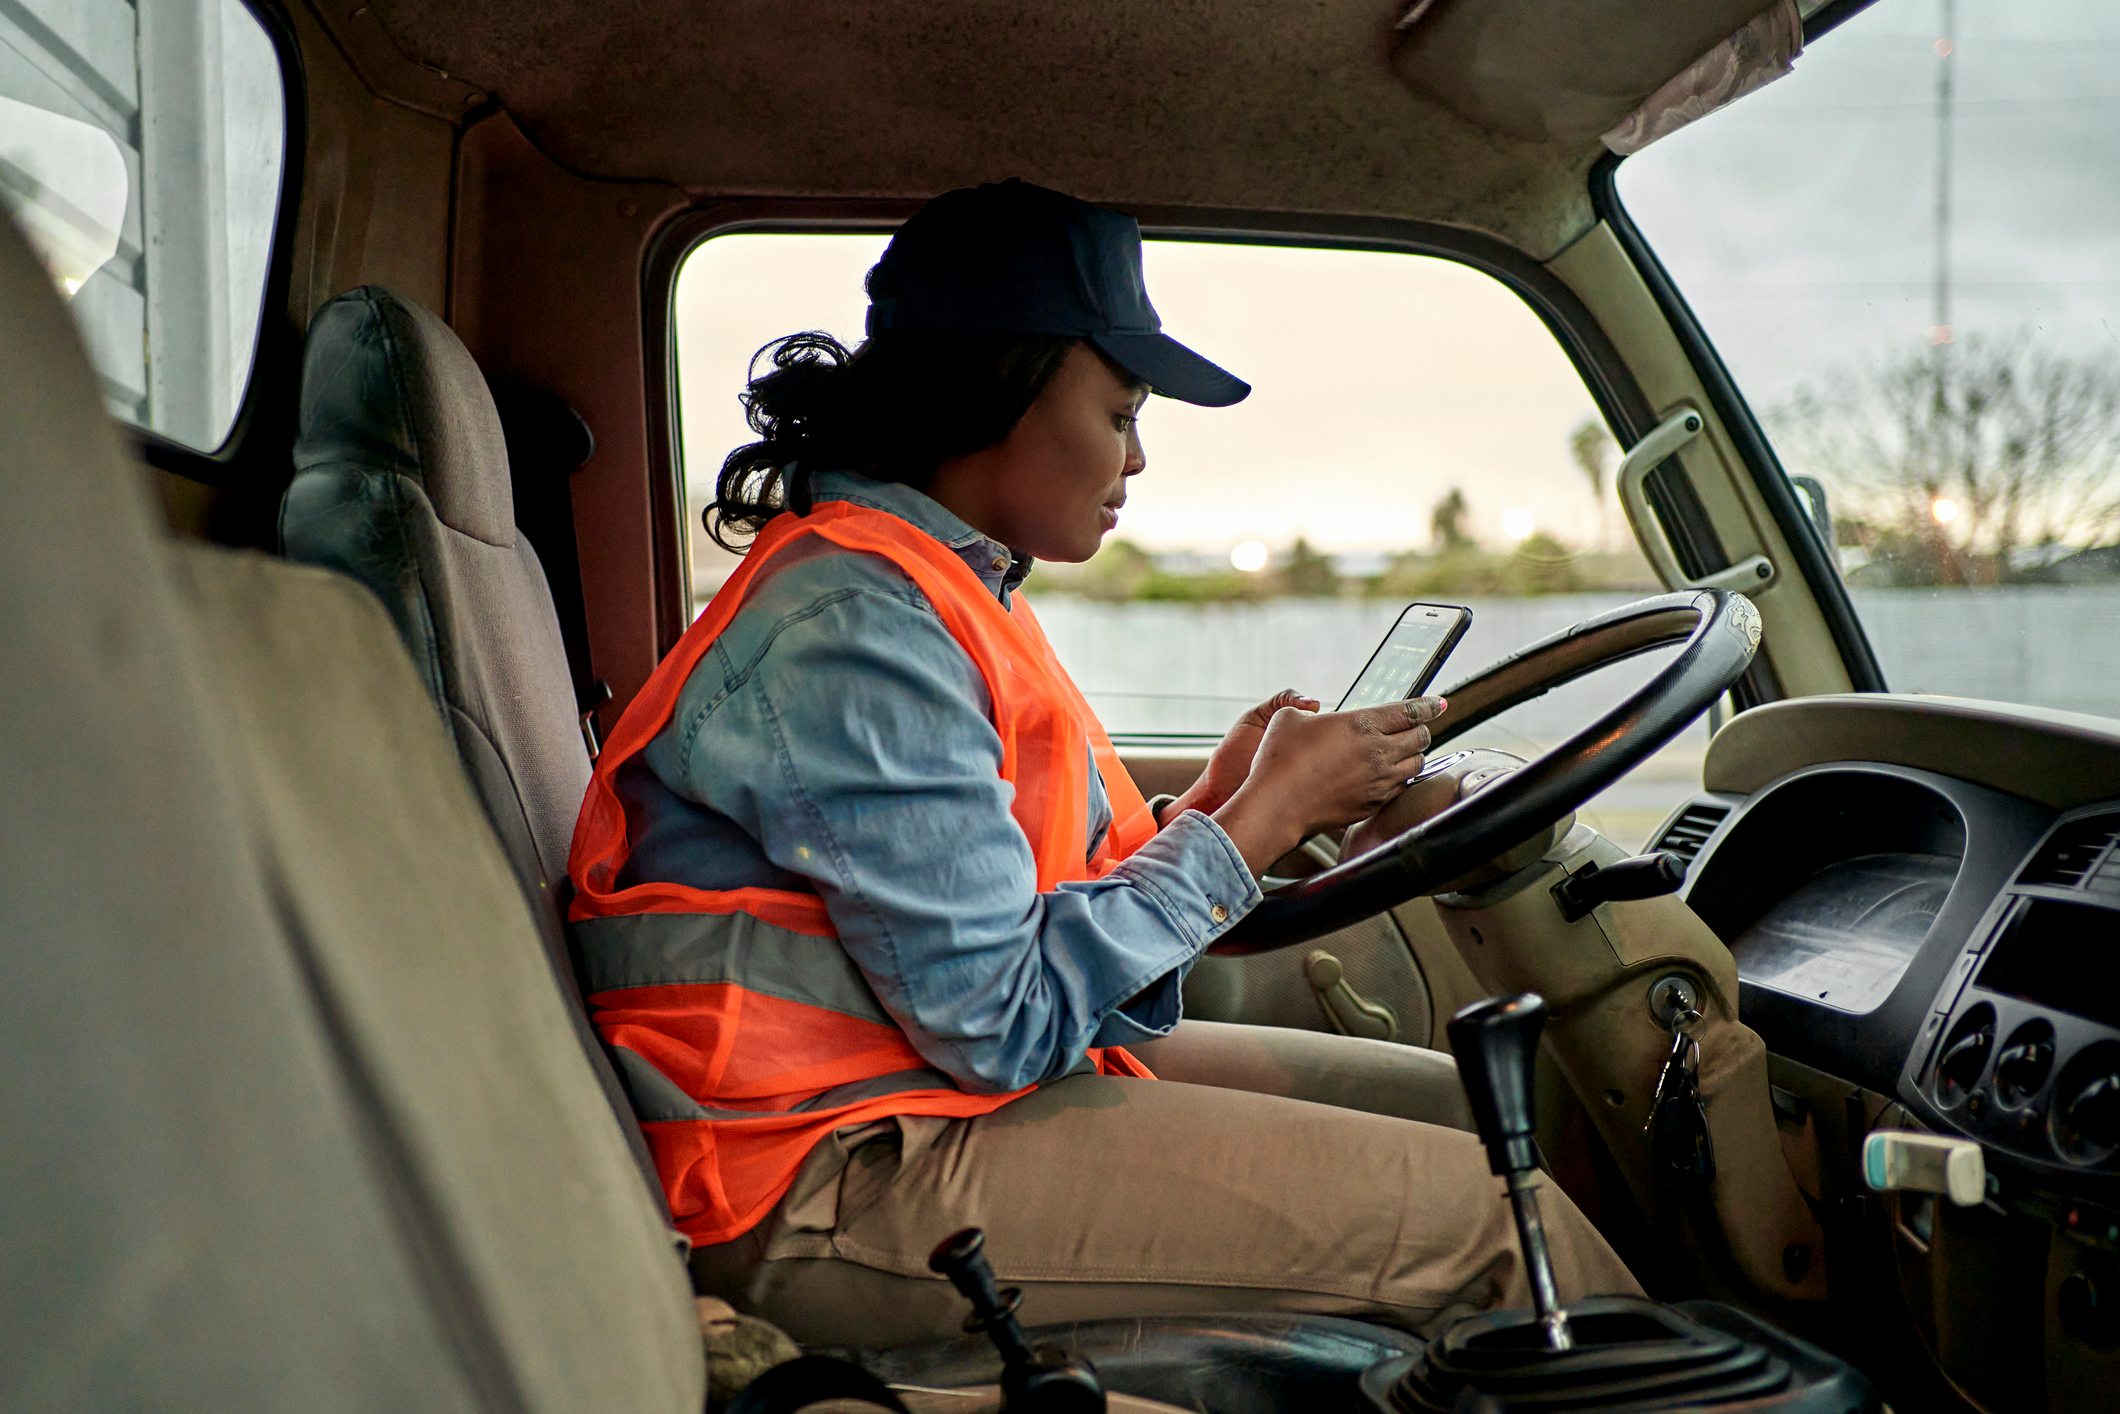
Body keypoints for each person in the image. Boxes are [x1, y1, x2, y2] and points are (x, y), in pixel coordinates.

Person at [567, 179, 1639, 1347]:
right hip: (814, 1173)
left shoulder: (940, 586)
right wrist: (1257, 821)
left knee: (1479, 1112)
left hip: (909, 1093)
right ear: (1007, 387)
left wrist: (1226, 803)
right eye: (1121, 410)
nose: (1138, 455)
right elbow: (1003, 1016)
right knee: (1496, 1225)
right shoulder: (854, 626)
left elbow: (1008, 911)